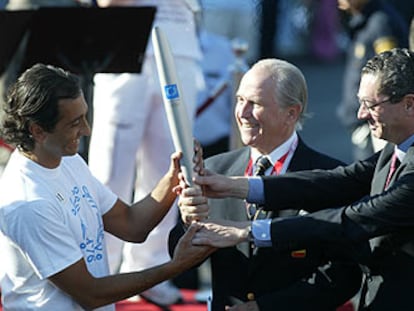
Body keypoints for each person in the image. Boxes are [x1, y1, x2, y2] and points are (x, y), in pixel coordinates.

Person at [184, 48, 414, 311]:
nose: (360, 114)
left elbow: (351, 220)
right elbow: (337, 181)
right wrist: (235, 186)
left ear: (409, 104)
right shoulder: (395, 149)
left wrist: (245, 232)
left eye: (371, 105)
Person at [0, 63, 213, 310]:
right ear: (38, 131)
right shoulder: (29, 203)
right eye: (74, 123)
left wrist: (173, 176)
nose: (87, 130)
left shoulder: (69, 161)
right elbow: (91, 294)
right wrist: (176, 266)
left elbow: (132, 225)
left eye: (85, 117)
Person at [170, 58, 362, 311]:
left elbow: (343, 276)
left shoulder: (329, 178)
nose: (242, 113)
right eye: (240, 100)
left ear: (291, 113)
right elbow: (180, 263)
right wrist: (187, 222)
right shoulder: (216, 170)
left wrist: (264, 308)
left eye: (255, 103)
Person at [87, 0, 205, 306]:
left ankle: (149, 270)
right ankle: (100, 270)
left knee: (169, 168)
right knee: (110, 168)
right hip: (125, 41)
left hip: (179, 41)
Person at [336, 0, 408, 160]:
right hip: (363, 118)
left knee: (376, 178)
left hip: (375, 122)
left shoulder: (381, 23)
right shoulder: (364, 20)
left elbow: (391, 73)